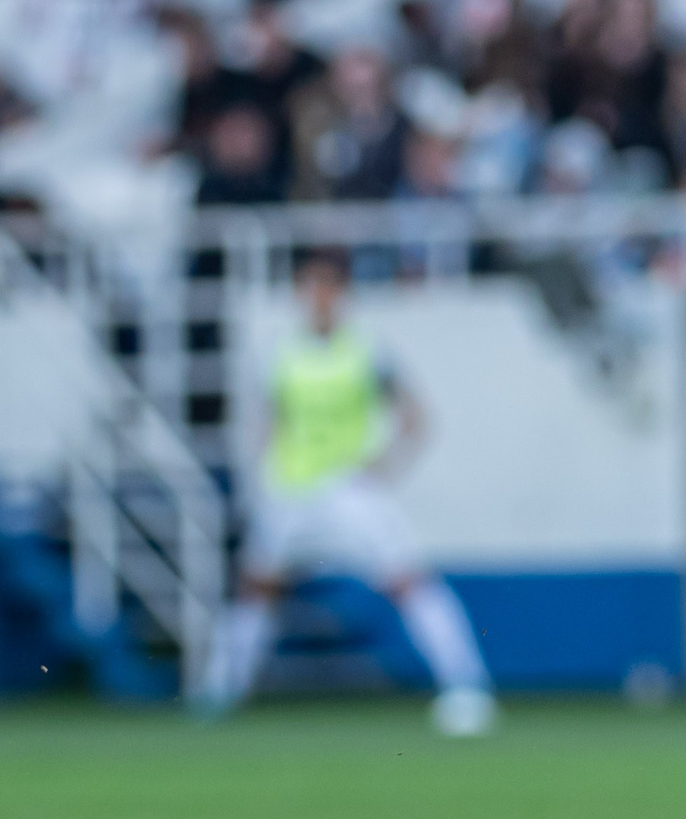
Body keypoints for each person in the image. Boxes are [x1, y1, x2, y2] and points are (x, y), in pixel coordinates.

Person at [197, 248, 496, 735]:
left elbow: (415, 415)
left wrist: (385, 466)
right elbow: (266, 423)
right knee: (256, 586)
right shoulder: (280, 354)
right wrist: (265, 478)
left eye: (327, 287)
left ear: (342, 294)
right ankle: (220, 690)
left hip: (350, 488)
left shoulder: (368, 351)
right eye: (310, 287)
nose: (318, 297)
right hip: (291, 488)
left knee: (408, 580)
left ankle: (467, 686)